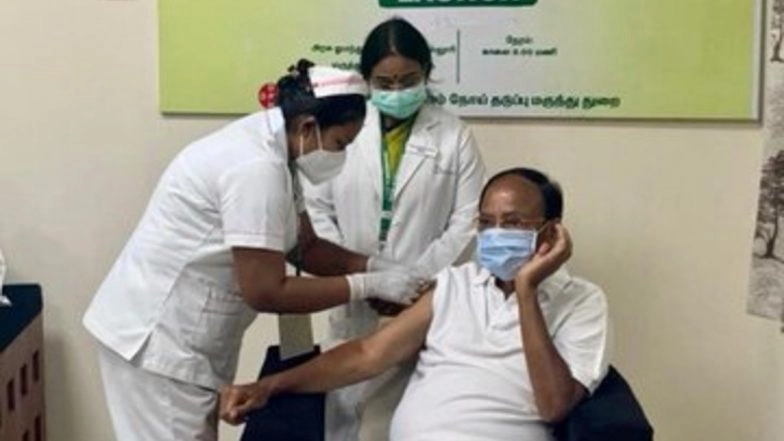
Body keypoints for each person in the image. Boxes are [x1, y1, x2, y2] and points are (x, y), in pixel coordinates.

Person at [82, 60, 427, 441]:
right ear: (309, 126)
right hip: (158, 343)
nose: (341, 156)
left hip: (184, 342)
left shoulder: (280, 151)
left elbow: (305, 247)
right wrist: (369, 284)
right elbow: (266, 291)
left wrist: (376, 265)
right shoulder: (255, 167)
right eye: (341, 144)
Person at [221, 167, 611, 441]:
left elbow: (554, 405)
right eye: (486, 223)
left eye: (512, 223)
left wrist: (526, 291)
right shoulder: (456, 284)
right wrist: (269, 386)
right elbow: (367, 354)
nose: (495, 234)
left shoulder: (581, 302)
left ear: (552, 230)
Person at [302, 18, 485, 440]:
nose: (398, 91)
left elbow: (468, 222)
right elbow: (316, 210)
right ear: (367, 80)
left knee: (408, 419)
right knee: (346, 418)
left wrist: (413, 282)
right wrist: (368, 278)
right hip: (353, 295)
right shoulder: (345, 130)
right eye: (385, 82)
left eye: (409, 79)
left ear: (427, 73)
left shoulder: (453, 136)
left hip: (419, 304)